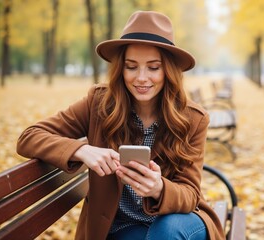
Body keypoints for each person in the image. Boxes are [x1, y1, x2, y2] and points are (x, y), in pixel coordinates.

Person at [17, 11, 224, 240]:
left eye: (153, 68)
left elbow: (190, 194)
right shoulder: (99, 104)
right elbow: (29, 136)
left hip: (178, 222)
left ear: (168, 71)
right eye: (131, 66)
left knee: (166, 230)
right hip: (126, 228)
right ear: (120, 68)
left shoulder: (193, 118)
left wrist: (158, 189)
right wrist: (80, 149)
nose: (141, 78)